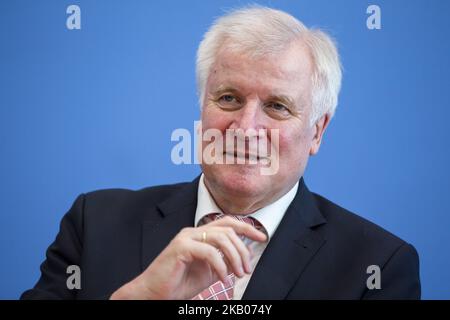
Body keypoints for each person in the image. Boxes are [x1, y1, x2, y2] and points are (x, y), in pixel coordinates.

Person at [21, 6, 420, 300]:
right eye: (229, 98)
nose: (246, 129)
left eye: (277, 106)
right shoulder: (95, 224)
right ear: (202, 107)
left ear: (317, 131)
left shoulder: (378, 265)